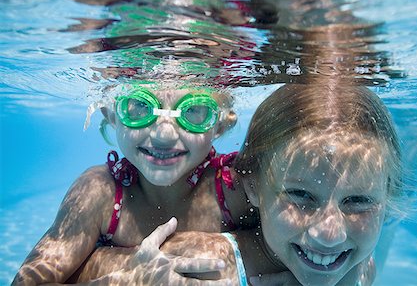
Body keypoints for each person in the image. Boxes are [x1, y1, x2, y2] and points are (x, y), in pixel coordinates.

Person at [70, 80, 406, 285]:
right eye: (301, 196)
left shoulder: (342, 251)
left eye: (359, 201)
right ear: (252, 186)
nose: (328, 233)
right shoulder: (217, 253)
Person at [12, 84, 256, 285]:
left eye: (193, 110)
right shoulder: (99, 192)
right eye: (140, 106)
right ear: (112, 115)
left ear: (220, 126)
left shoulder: (235, 192)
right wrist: (129, 278)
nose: (164, 136)